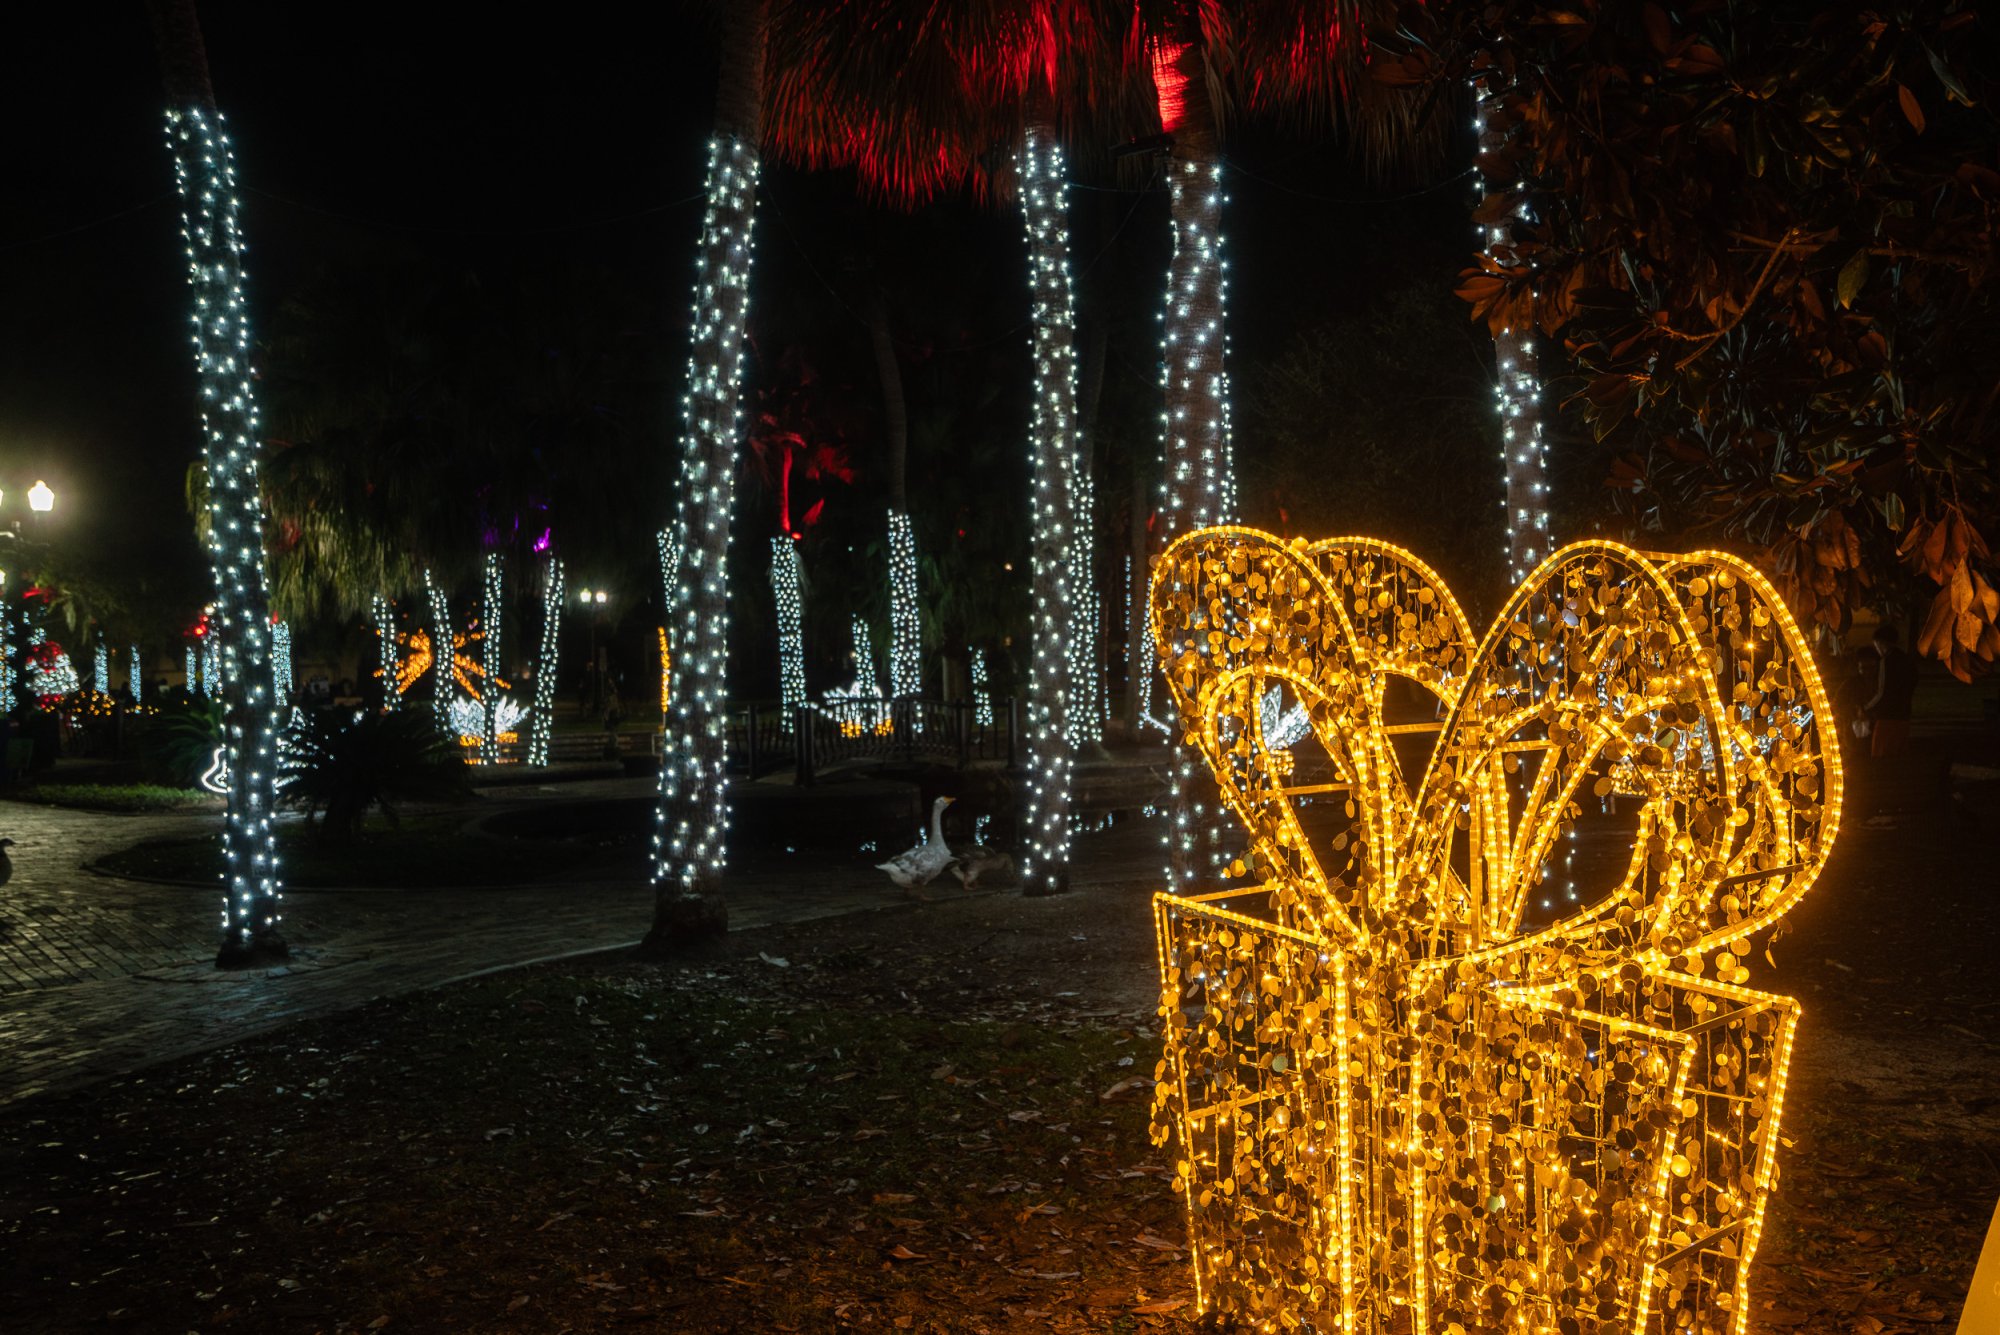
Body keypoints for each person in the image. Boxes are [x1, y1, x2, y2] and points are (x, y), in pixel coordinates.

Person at [1861, 623, 1918, 757]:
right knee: (1899, 757)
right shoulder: (1907, 660)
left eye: (1876, 645)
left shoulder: (1887, 661)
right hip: (1904, 716)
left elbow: (1882, 692)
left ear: (1880, 643)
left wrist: (1866, 708)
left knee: (1881, 756)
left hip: (1886, 718)